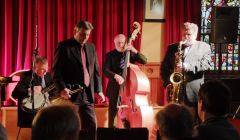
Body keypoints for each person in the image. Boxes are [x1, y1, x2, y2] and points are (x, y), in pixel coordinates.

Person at [52, 20, 105, 140]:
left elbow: (95, 71)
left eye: (87, 35)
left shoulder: (91, 47)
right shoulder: (64, 46)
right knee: (68, 127)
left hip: (87, 94)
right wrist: (62, 88)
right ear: (75, 31)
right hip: (70, 94)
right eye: (82, 34)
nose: (85, 38)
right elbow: (56, 71)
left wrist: (99, 90)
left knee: (92, 126)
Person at [160, 22, 213, 122]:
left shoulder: (204, 47)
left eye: (189, 34)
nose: (186, 37)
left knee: (193, 122)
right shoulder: (172, 47)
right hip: (175, 91)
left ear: (195, 34)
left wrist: (187, 66)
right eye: (184, 34)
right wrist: (167, 82)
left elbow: (206, 64)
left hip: (194, 91)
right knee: (175, 121)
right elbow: (164, 68)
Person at [103, 34, 147, 128]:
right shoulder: (110, 55)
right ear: (114, 43)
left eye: (122, 42)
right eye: (118, 43)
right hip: (115, 88)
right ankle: (112, 134)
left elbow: (144, 61)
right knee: (113, 115)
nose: (120, 44)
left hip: (129, 90)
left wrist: (134, 50)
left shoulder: (130, 53)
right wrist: (115, 76)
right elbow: (105, 70)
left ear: (126, 42)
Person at [12, 56, 54, 128]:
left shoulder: (49, 76)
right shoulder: (27, 76)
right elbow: (15, 94)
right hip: (32, 112)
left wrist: (49, 95)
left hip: (48, 108)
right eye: (42, 69)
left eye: (46, 68)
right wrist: (31, 90)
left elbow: (54, 91)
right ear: (35, 68)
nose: (46, 71)